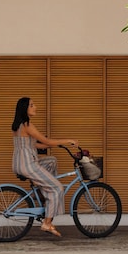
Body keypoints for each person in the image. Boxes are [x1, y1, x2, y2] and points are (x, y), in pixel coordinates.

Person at [11, 97, 79, 237]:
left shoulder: (18, 125)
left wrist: (54, 145)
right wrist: (68, 140)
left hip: (21, 162)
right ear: (25, 108)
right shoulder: (27, 125)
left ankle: (44, 193)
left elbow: (34, 144)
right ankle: (47, 223)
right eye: (32, 105)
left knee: (51, 161)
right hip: (28, 165)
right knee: (57, 187)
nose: (35, 107)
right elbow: (46, 140)